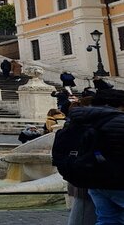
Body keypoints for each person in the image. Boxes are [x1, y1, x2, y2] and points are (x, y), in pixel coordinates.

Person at [52, 89, 124, 224]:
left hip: (93, 181)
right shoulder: (119, 120)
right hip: (119, 180)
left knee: (108, 219)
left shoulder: (78, 120)